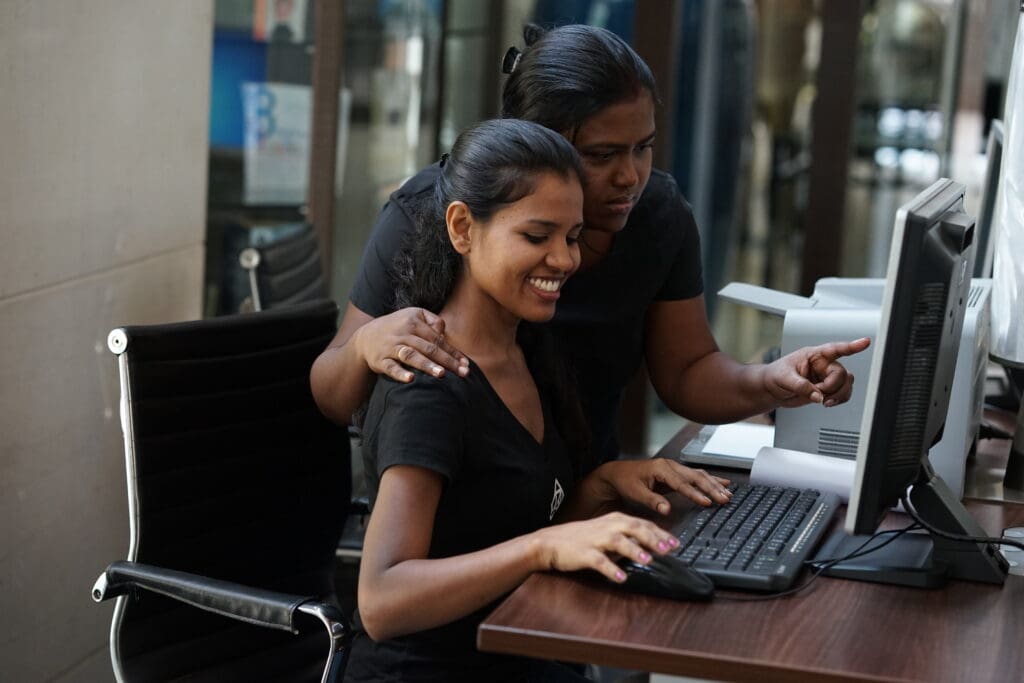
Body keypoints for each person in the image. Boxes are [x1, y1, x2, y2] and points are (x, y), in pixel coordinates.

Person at [311, 22, 868, 466]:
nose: (631, 177)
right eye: (602, 156)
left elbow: (686, 371)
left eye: (644, 148)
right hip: (471, 518)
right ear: (531, 144)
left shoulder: (657, 217)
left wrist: (770, 381)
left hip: (582, 496)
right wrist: (366, 347)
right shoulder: (430, 212)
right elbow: (333, 394)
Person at [344, 118, 732, 682]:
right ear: (462, 228)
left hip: (516, 655)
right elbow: (382, 600)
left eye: (573, 238)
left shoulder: (529, 352)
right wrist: (543, 547)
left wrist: (599, 488)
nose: (564, 260)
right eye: (536, 236)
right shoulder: (431, 384)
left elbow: (501, 525)